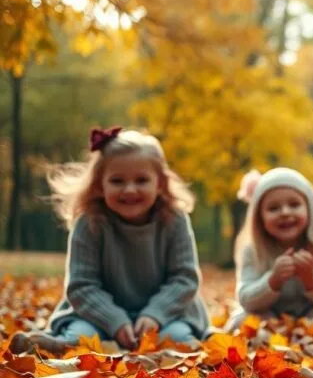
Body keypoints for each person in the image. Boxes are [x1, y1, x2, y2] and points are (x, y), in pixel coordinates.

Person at [11, 127, 209, 354]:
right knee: (82, 338)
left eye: (142, 180)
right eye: (117, 181)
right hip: (97, 316)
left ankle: (190, 348)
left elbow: (184, 279)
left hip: (166, 315)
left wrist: (154, 314)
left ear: (160, 183)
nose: (130, 189)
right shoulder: (89, 222)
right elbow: (81, 286)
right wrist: (115, 321)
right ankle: (52, 347)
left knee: (174, 339)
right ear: (99, 184)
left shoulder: (174, 219)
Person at [228, 168, 313, 330]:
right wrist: (273, 280)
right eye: (273, 208)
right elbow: (246, 299)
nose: (285, 212)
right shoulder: (252, 248)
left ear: (310, 208)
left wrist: (311, 279)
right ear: (259, 217)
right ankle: (268, 351)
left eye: (294, 204)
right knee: (242, 322)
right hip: (270, 318)